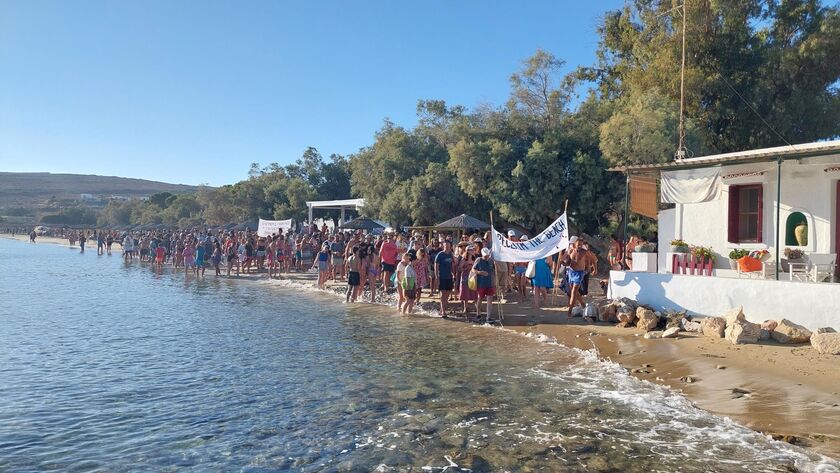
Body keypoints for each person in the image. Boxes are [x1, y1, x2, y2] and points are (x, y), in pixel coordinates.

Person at [567, 237, 598, 317]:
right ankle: (583, 304)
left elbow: (594, 259)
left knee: (574, 291)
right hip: (571, 272)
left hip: (580, 273)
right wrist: (562, 260)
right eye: (578, 245)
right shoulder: (570, 251)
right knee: (573, 291)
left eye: (581, 245)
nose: (580, 246)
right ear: (574, 245)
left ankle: (570, 310)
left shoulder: (585, 252)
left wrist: (595, 269)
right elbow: (565, 262)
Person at [471, 248, 495, 322]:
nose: (486, 257)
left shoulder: (490, 260)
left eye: (487, 255)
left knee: (490, 299)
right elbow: (473, 269)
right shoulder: (478, 260)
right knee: (480, 299)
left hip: (489, 283)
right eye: (485, 256)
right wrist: (480, 272)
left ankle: (488, 317)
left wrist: (494, 282)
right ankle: (478, 314)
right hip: (481, 283)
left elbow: (493, 270)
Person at [434, 240, 455, 316]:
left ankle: (441, 309)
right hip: (442, 276)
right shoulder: (440, 255)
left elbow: (452, 265)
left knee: (447, 294)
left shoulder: (450, 254)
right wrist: (437, 277)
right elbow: (436, 266)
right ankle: (443, 312)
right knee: (442, 294)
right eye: (446, 245)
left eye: (448, 246)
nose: (447, 247)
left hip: (449, 277)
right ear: (443, 246)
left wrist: (454, 274)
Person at [458, 245, 477, 315]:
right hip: (465, 276)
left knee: (474, 290)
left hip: (472, 276)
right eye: (471, 250)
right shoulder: (464, 259)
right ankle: (465, 308)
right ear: (467, 251)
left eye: (473, 250)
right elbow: (460, 268)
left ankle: (477, 307)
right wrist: (466, 268)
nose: (472, 251)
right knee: (465, 291)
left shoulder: (474, 258)